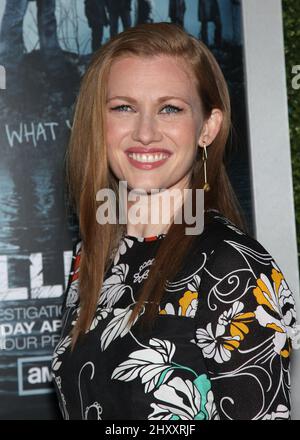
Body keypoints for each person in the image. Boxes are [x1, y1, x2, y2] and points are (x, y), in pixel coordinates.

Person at [52, 22, 297, 420]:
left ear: (208, 128)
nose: (145, 132)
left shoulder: (234, 267)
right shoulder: (94, 254)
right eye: (123, 107)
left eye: (170, 109)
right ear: (100, 123)